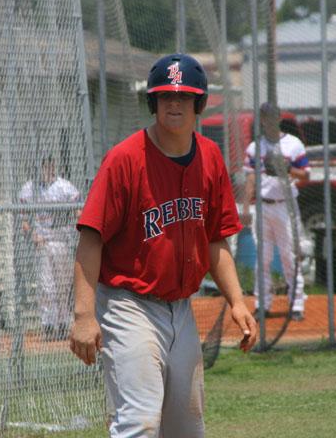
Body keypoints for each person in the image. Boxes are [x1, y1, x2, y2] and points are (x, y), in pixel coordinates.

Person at [69, 53, 257, 437]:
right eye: (166, 96)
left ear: (199, 104)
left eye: (184, 96)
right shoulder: (124, 159)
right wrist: (84, 316)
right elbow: (91, 237)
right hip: (128, 305)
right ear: (152, 103)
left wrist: (237, 302)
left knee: (187, 427)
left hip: (181, 310)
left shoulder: (210, 157)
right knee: (139, 421)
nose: (174, 104)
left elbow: (215, 239)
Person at [240, 103, 311, 321]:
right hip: (263, 206)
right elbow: (250, 178)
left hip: (285, 205)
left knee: (289, 256)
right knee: (263, 258)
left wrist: (287, 169)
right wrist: (246, 208)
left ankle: (296, 305)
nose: (269, 120)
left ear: (279, 118)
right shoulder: (255, 147)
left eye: (272, 116)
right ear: (261, 119)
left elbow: (306, 175)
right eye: (265, 116)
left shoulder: (293, 144)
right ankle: (262, 305)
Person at [19, 155, 81, 339]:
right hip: (42, 242)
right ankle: (48, 324)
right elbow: (23, 219)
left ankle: (62, 324)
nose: (48, 171)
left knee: (63, 285)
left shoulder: (64, 187)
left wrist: (78, 230)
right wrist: (33, 235)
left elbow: (79, 211)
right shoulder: (30, 189)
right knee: (46, 285)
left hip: (62, 240)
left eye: (51, 167)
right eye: (45, 167)